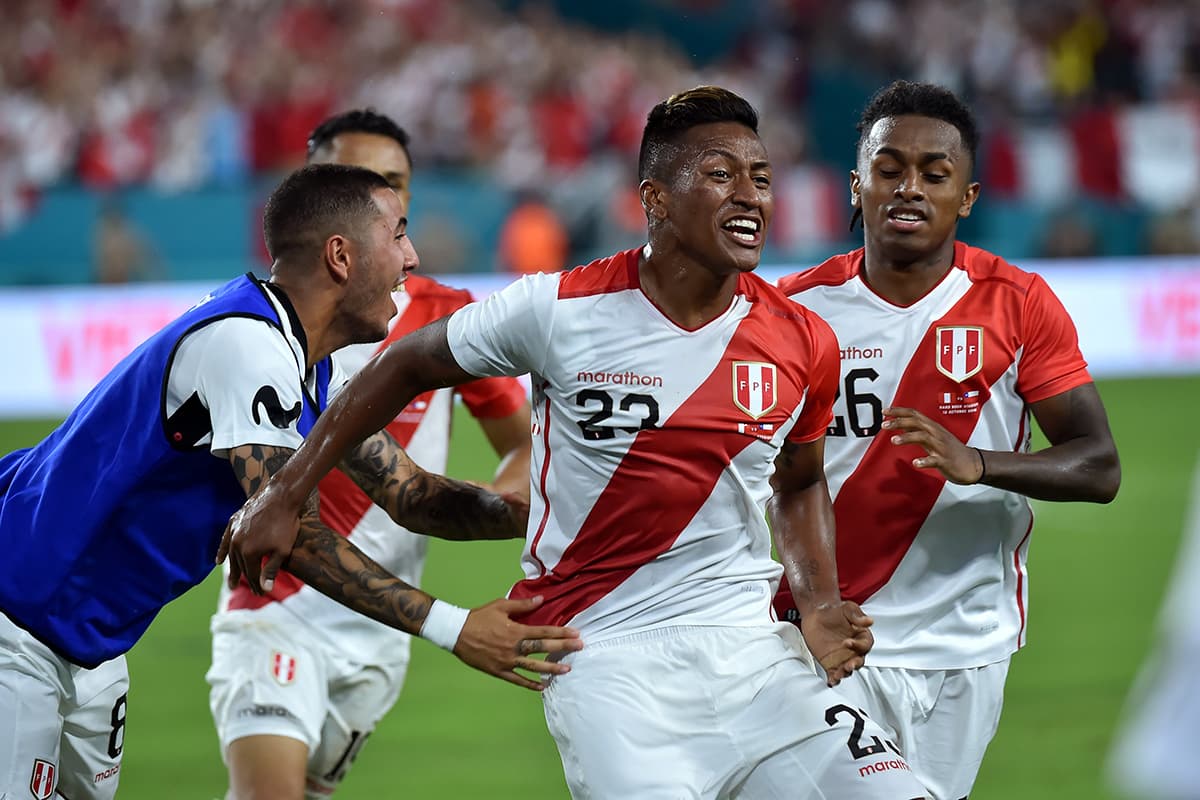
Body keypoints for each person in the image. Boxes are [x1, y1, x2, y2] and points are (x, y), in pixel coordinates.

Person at [221, 86, 928, 799]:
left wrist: (817, 601)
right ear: (654, 198)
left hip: (752, 652)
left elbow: (800, 483)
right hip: (603, 658)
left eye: (762, 178)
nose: (750, 196)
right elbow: (405, 363)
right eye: (721, 175)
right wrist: (285, 492)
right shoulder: (558, 308)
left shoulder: (803, 339)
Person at [0, 163, 579, 800]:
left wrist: (567, 510)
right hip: (20, 612)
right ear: (341, 255)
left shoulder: (308, 368)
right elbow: (290, 533)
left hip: (90, 640)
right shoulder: (247, 347)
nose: (411, 258)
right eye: (398, 235)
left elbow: (411, 494)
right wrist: (454, 627)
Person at [772, 80, 1121, 800]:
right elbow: (760, 474)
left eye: (935, 175)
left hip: (967, 643)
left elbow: (1099, 465)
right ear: (856, 184)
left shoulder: (1016, 303)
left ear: (966, 197)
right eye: (889, 168)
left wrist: (980, 463)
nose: (909, 188)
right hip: (826, 634)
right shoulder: (796, 313)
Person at [207, 109, 534, 799]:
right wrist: (454, 626)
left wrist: (533, 512)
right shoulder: (258, 339)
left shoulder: (422, 329)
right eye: (358, 182)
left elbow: (427, 487)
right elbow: (297, 531)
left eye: (395, 185)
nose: (384, 200)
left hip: (377, 626)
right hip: (275, 605)